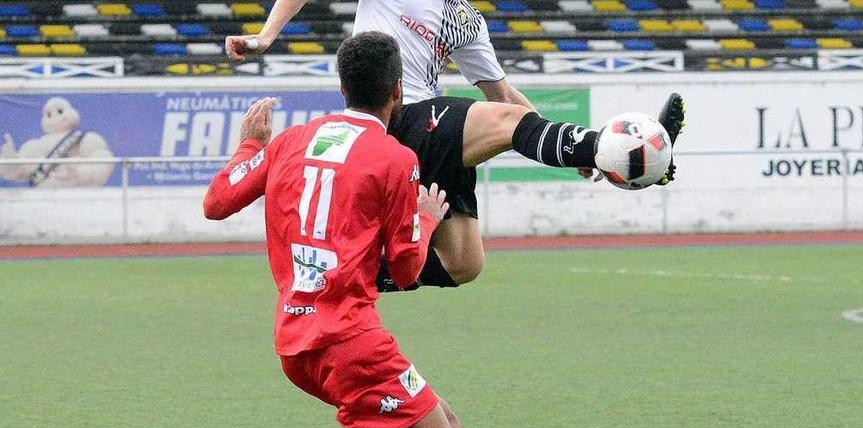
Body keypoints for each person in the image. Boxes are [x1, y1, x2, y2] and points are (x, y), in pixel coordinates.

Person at [204, 32, 500, 428]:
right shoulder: (396, 158)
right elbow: (405, 271)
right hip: (350, 343)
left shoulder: (289, 141)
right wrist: (425, 217)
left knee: (447, 425)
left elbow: (216, 202)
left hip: (296, 343)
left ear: (342, 88)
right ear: (398, 91)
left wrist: (249, 148)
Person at [226, 0, 685, 291]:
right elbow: (508, 115)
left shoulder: (465, 20)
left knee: (463, 264)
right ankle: (612, 149)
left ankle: (355, 272)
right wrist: (268, 35)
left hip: (427, 129)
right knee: (509, 122)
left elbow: (503, 96)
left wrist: (571, 154)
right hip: (394, 117)